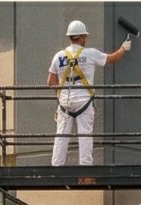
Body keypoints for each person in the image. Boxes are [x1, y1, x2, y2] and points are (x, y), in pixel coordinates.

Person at [48, 19, 131, 166]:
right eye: (84, 36)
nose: (85, 39)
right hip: (84, 102)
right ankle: (85, 169)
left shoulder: (59, 56)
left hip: (64, 103)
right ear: (80, 37)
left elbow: (51, 81)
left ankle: (56, 167)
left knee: (61, 135)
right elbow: (113, 58)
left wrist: (64, 92)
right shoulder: (90, 54)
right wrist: (124, 47)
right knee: (85, 134)